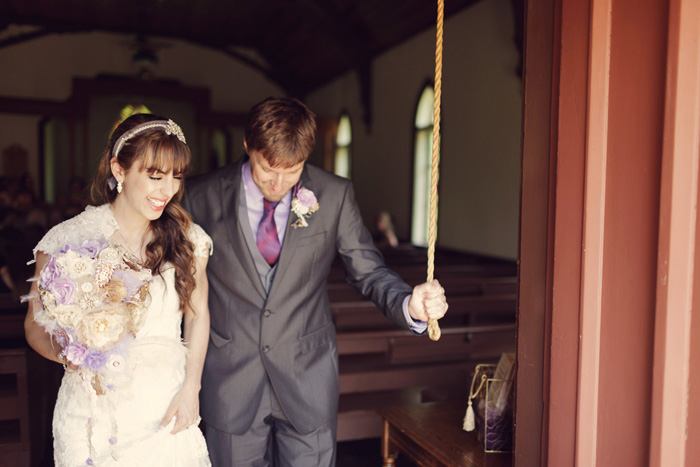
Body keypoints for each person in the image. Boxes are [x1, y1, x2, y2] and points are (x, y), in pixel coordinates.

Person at [183, 97, 448, 466]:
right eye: (266, 170)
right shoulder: (199, 194)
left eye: (292, 173)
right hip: (230, 379)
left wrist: (409, 304)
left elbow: (368, 271)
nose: (278, 184)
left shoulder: (334, 194)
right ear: (247, 146)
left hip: (307, 378)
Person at [24, 114, 212, 466]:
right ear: (119, 170)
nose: (166, 190)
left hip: (166, 408)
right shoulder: (69, 239)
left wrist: (192, 389)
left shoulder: (189, 238)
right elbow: (34, 326)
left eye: (175, 177)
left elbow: (199, 317)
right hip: (92, 412)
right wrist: (75, 354)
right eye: (155, 176)